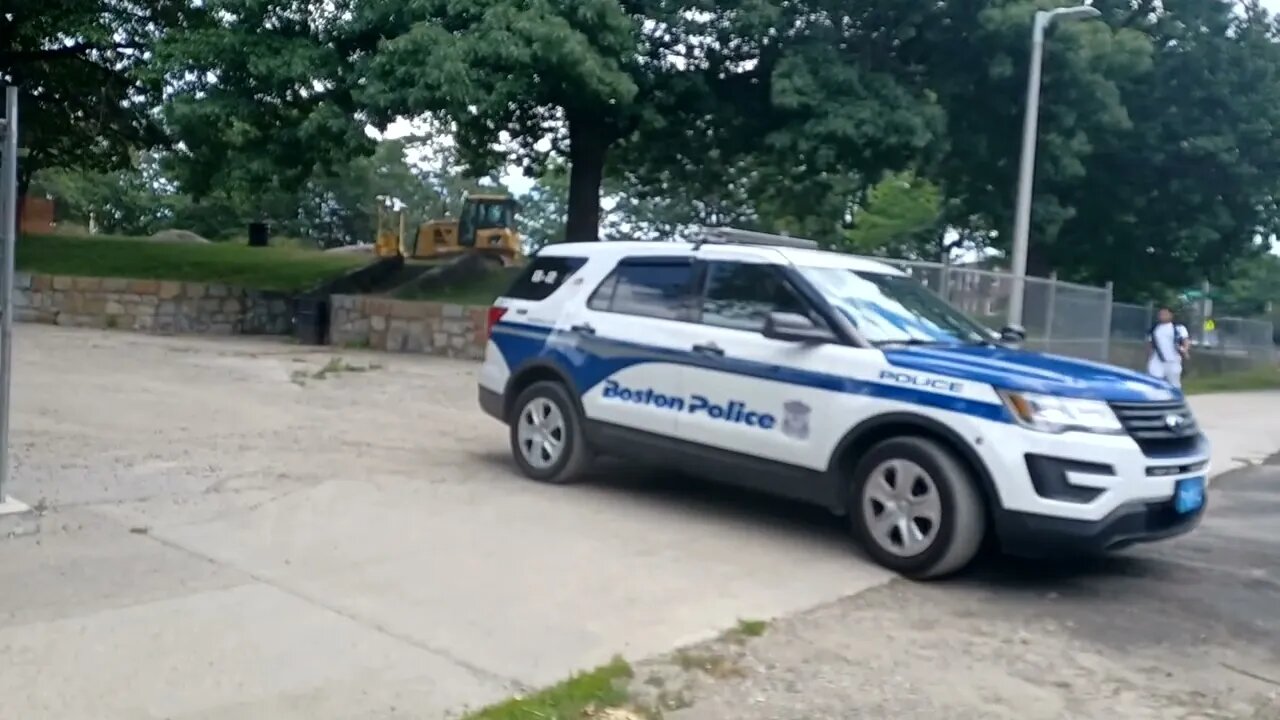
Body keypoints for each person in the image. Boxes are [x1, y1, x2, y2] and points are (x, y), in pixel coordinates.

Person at [1147, 307, 1190, 387]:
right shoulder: (1154, 329)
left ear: (1171, 315)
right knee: (1154, 381)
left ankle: (1175, 398)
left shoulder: (1179, 328)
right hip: (1157, 360)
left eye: (1165, 314)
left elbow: (1185, 341)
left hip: (1174, 360)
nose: (1162, 316)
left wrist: (1185, 350)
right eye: (1161, 314)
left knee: (1174, 384)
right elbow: (1151, 345)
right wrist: (1149, 357)